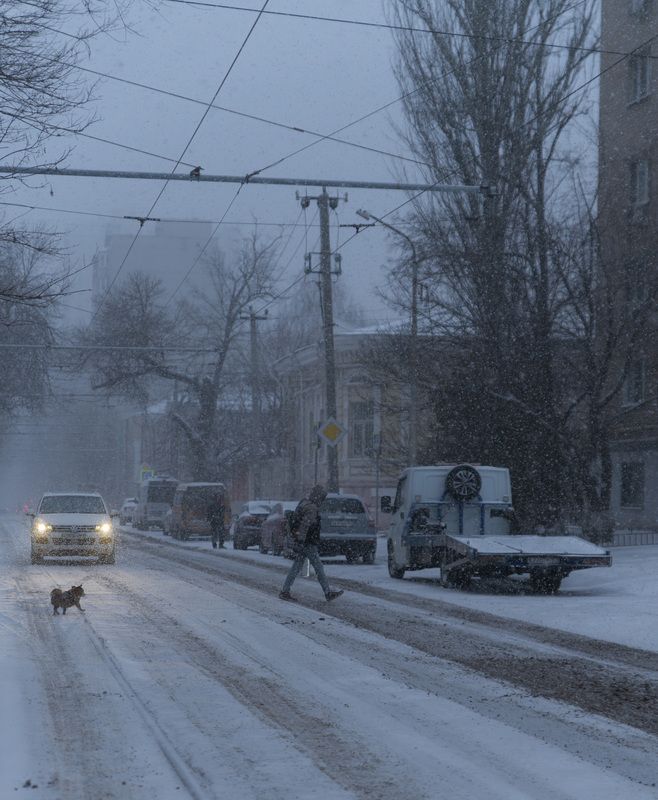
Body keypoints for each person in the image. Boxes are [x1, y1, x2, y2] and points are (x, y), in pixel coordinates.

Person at [279, 484, 344, 602]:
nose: (322, 501)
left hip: (304, 542)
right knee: (318, 567)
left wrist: (298, 540)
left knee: (296, 567)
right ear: (318, 497)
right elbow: (305, 525)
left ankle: (285, 591)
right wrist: (301, 540)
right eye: (322, 498)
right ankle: (327, 592)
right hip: (308, 543)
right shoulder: (312, 508)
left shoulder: (304, 503)